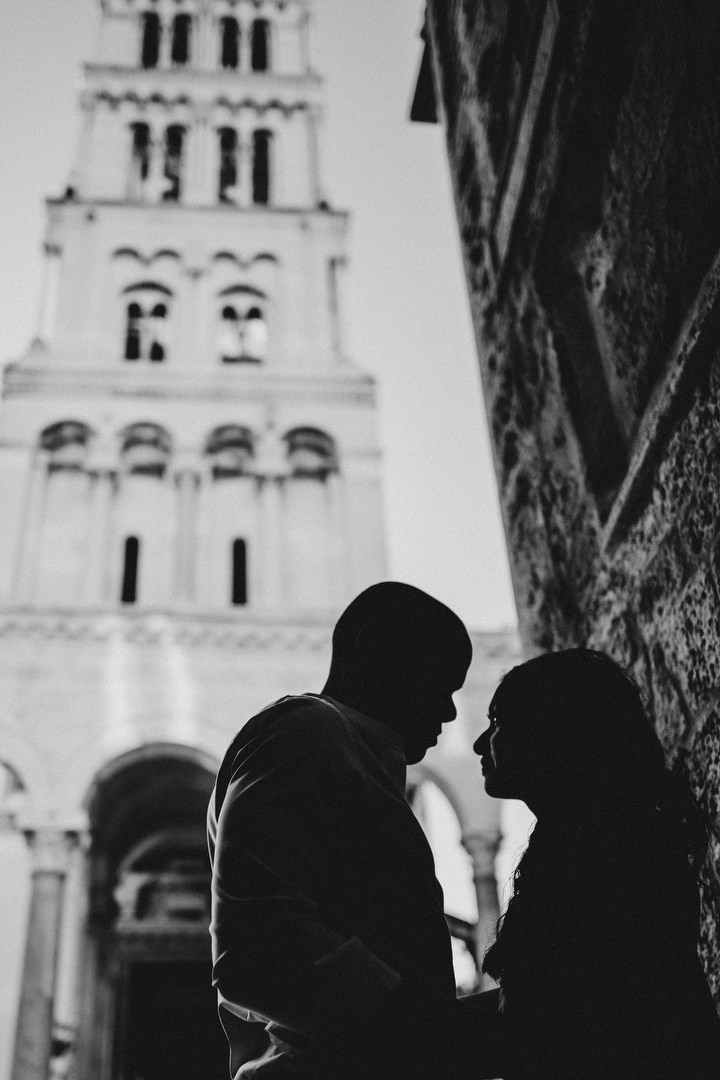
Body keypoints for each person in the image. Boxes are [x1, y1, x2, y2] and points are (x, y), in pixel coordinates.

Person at [207, 581, 473, 1080]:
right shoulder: (304, 732)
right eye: (440, 681)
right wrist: (428, 1028)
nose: (450, 710)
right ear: (373, 649)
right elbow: (258, 950)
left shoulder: (341, 745)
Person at [472, 648, 720, 1080]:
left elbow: (577, 1025)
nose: (481, 743)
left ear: (551, 731)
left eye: (498, 722)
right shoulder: (593, 843)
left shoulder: (610, 858)